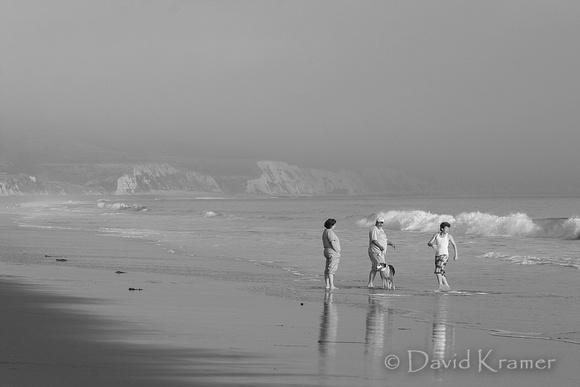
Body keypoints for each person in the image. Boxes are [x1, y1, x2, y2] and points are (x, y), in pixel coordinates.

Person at [427, 221, 458, 291]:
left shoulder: (448, 236)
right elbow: (429, 243)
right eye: (446, 229)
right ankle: (448, 287)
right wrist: (432, 245)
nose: (447, 230)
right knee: (441, 272)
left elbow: (454, 245)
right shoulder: (436, 235)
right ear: (441, 229)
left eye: (448, 229)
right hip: (437, 255)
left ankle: (440, 286)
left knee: (437, 270)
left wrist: (456, 255)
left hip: (445, 255)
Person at [367, 217, 395, 288]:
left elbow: (385, 240)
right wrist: (380, 246)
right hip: (376, 251)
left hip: (380, 252)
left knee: (375, 267)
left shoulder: (381, 230)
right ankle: (386, 284)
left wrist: (391, 243)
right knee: (382, 267)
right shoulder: (374, 229)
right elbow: (374, 240)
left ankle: (370, 283)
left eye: (382, 222)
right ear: (376, 222)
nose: (381, 224)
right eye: (380, 222)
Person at [322, 218, 341, 290]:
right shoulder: (330, 232)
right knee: (331, 269)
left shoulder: (325, 231)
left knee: (327, 268)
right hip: (332, 251)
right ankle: (332, 285)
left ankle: (327, 285)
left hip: (327, 250)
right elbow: (332, 242)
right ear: (332, 225)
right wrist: (337, 251)